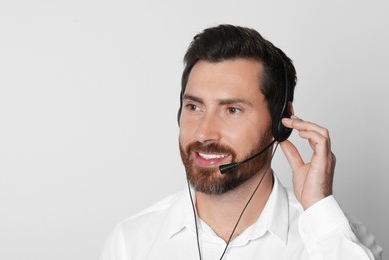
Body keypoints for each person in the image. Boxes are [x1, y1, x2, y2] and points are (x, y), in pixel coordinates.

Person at [100, 24, 383, 260]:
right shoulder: (131, 243)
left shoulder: (337, 239)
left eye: (232, 110)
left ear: (280, 122)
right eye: (194, 107)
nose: (203, 133)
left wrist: (318, 206)